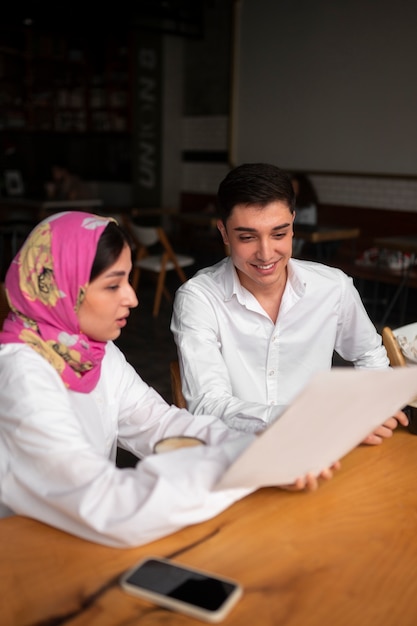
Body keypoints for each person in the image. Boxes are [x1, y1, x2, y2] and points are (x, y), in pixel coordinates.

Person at [0, 212, 337, 549]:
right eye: (113, 285)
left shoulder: (92, 353)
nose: (132, 298)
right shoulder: (21, 375)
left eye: (128, 280)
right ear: (63, 288)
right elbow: (109, 504)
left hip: (81, 544)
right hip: (28, 558)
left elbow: (161, 424)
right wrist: (244, 464)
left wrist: (264, 447)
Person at [171, 163, 408, 440]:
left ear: (293, 225)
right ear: (223, 232)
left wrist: (370, 409)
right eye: (247, 237)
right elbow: (208, 405)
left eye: (279, 234)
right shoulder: (199, 298)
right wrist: (313, 420)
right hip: (235, 451)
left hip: (322, 445)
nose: (266, 253)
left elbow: (369, 356)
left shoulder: (332, 287)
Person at [290, 172, 318, 257]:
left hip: (303, 245)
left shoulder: (309, 207)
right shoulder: (290, 204)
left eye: (295, 187)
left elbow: (306, 230)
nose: (293, 190)